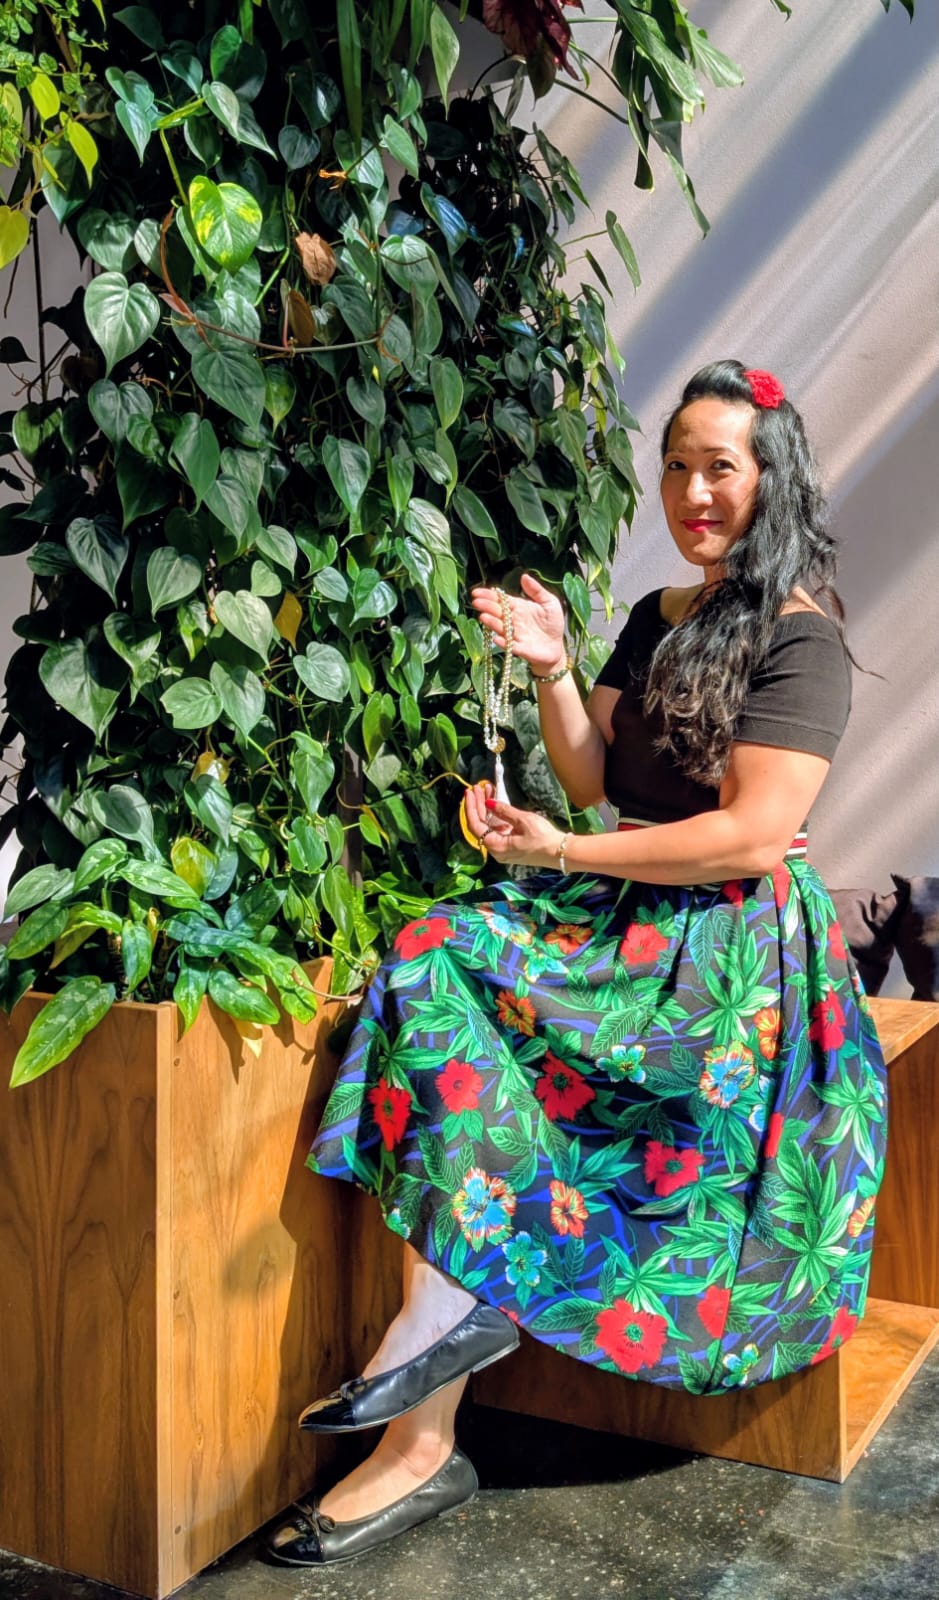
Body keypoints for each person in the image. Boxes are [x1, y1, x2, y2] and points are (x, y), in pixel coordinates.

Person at [268, 359, 886, 1567]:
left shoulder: (800, 637)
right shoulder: (661, 617)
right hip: (622, 915)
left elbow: (753, 834)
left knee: (454, 966)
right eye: (678, 464)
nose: (693, 490)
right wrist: (554, 665)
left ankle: (422, 1401)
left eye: (723, 466)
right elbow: (595, 777)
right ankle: (443, 1327)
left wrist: (562, 849)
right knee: (431, 953)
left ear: (774, 479)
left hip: (733, 961)